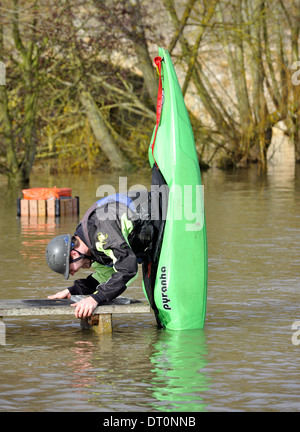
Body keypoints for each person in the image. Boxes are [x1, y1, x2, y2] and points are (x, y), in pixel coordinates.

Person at [46, 191, 156, 319]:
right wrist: (73, 290)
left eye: (70, 269)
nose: (73, 273)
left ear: (74, 254)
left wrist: (95, 299)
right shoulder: (89, 243)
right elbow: (105, 276)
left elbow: (127, 270)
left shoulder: (100, 234)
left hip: (161, 219)